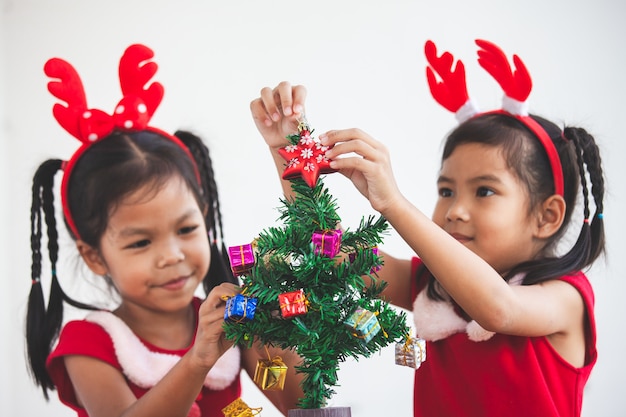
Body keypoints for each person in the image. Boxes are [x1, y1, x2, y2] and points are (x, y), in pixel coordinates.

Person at [250, 39, 604, 416]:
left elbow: (497, 310)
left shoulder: (566, 299)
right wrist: (290, 152)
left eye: (484, 191)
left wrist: (394, 204)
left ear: (547, 216)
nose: (455, 210)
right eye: (446, 190)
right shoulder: (428, 285)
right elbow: (334, 253)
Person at [26, 44, 303, 417]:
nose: (172, 254)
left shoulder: (231, 317)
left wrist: (275, 318)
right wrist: (197, 360)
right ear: (94, 257)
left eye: (187, 228)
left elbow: (299, 403)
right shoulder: (88, 344)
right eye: (141, 241)